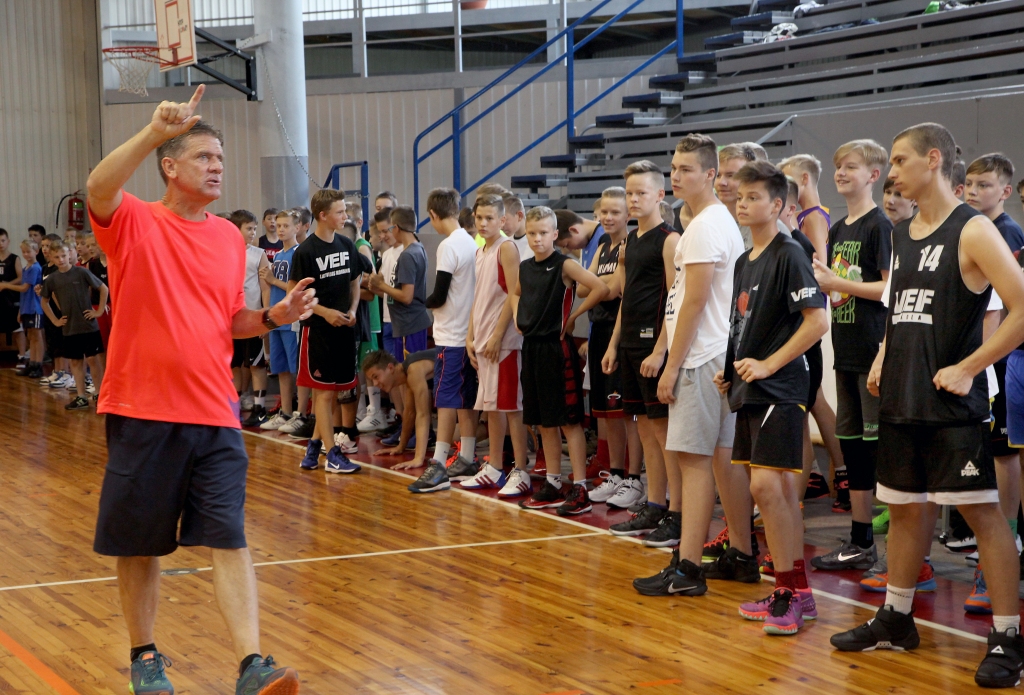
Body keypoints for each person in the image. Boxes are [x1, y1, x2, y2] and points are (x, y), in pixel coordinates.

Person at [85, 85, 314, 693]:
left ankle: (252, 665)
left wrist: (274, 316)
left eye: (221, 159)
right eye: (204, 157)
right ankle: (145, 657)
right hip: (142, 409)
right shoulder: (133, 220)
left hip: (215, 413)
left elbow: (229, 319)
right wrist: (154, 131)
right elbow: (98, 187)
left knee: (228, 536)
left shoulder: (228, 239)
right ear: (170, 166)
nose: (217, 167)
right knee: (140, 544)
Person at [829, 123, 1024, 690]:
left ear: (933, 159)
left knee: (983, 515)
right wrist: (882, 355)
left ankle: (1008, 636)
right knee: (905, 509)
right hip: (902, 397)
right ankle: (896, 617)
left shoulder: (973, 229)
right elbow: (900, 308)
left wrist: (970, 367)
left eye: (898, 160)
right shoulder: (903, 231)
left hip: (953, 407)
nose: (891, 172)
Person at [715, 160, 828, 635]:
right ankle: (795, 591)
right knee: (773, 490)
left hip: (781, 387)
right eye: (740, 197)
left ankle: (789, 592)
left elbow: (817, 322)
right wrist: (730, 372)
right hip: (750, 389)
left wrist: (768, 365)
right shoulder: (746, 260)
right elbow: (741, 323)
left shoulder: (790, 253)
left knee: (766, 487)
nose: (743, 204)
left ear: (778, 204)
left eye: (754, 197)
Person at [633, 133, 746, 596]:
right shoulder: (712, 221)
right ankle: (741, 553)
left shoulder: (704, 226)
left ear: (710, 174)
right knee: (720, 459)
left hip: (702, 356)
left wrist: (672, 364)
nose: (677, 176)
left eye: (686, 169)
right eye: (674, 168)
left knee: (694, 462)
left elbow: (694, 302)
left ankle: (688, 568)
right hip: (713, 353)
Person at [806, 140, 893, 574]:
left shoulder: (880, 226)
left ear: (873, 175)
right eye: (838, 166)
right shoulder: (839, 228)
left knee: (879, 453)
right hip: (846, 352)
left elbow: (889, 289)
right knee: (854, 451)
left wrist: (839, 284)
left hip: (873, 353)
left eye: (851, 166)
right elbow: (838, 286)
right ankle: (860, 540)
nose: (841, 173)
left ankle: (905, 555)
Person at [515, 206, 609, 515]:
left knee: (569, 421)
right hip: (532, 348)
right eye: (532, 233)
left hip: (558, 350)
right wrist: (517, 316)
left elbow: (600, 287)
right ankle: (553, 483)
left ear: (555, 234)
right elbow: (515, 293)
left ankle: (580, 487)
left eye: (543, 233)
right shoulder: (525, 267)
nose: (537, 239)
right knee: (544, 421)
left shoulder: (565, 264)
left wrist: (574, 316)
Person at [602, 161, 680, 531]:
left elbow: (675, 299)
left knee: (664, 434)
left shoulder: (670, 240)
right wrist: (613, 344)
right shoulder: (630, 240)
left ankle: (676, 511)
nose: (633, 199)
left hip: (653, 349)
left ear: (660, 195)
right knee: (645, 430)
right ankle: (654, 502)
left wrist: (660, 350)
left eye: (641, 193)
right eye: (630, 193)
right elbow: (626, 297)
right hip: (630, 345)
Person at [961, 153, 1024, 612]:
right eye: (969, 184)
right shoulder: (970, 229)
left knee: (1005, 455)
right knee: (999, 453)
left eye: (983, 185)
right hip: (990, 365)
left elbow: (1007, 308)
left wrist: (987, 361)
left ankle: (1007, 540)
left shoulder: (1006, 234)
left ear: (1003, 191)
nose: (973, 191)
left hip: (1002, 362)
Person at [463, 193, 532, 498]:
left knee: (511, 406)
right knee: (491, 407)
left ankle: (521, 470)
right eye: (479, 218)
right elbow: (478, 298)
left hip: (503, 343)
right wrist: (470, 336)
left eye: (489, 218)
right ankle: (494, 466)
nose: (483, 223)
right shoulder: (481, 252)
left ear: (502, 220)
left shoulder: (507, 248)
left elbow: (514, 294)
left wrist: (497, 335)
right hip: (484, 341)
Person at [292, 188, 363, 474]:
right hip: (318, 332)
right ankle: (332, 454)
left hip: (343, 331)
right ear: (323, 215)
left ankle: (312, 448)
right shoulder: (306, 251)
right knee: (322, 395)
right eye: (340, 212)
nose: (345, 216)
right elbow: (294, 294)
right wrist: (326, 312)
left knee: (332, 393)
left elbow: (356, 281)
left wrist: (353, 310)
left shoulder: (346, 245)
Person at [584, 187, 644, 508]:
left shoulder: (630, 245)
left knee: (626, 412)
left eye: (614, 212)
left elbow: (610, 291)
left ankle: (634, 477)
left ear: (628, 215)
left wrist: (601, 284)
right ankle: (617, 474)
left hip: (619, 334)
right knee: (607, 413)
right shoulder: (603, 246)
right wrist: (603, 285)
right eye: (603, 212)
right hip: (599, 331)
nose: (607, 217)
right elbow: (586, 289)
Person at [40, 241, 108, 410]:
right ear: (51, 258)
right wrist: (55, 320)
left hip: (88, 325)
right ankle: (81, 396)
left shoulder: (81, 272)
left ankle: (99, 393)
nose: (61, 259)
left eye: (64, 255)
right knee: (76, 362)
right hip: (69, 327)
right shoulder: (52, 279)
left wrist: (99, 311)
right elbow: (44, 301)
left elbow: (103, 288)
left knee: (93, 359)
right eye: (57, 257)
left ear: (69, 254)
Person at [365, 348, 443, 488]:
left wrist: (418, 458)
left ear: (390, 368)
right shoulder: (408, 373)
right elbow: (409, 412)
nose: (375, 384)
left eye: (376, 376)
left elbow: (423, 414)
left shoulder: (413, 370)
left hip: (467, 369)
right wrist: (401, 446)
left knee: (453, 434)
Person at [369, 207, 431, 375]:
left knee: (409, 374)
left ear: (396, 228)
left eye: (388, 229)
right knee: (406, 374)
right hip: (406, 324)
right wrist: (379, 288)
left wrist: (381, 285)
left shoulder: (408, 255)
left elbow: (406, 296)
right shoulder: (417, 248)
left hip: (408, 324)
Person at [258, 210, 302, 432]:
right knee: (281, 368)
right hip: (277, 319)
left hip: (291, 320)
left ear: (297, 228)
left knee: (297, 368)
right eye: (279, 225)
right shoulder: (278, 255)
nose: (281, 229)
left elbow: (296, 288)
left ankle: (302, 413)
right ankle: (285, 412)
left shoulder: (298, 253)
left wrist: (273, 280)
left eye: (286, 225)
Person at [230, 209, 272, 427]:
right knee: (235, 364)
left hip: (252, 317)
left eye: (255, 229)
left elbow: (265, 288)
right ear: (236, 229)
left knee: (256, 364)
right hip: (232, 319)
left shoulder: (258, 254)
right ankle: (234, 406)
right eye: (249, 228)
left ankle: (259, 408)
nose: (253, 232)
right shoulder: (225, 251)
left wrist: (265, 317)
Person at [715, 143, 758, 249]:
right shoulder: (710, 221)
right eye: (718, 175)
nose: (722, 182)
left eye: (731, 176)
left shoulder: (766, 225)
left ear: (751, 178)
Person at [11, 240, 44, 378]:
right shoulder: (25, 269)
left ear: (36, 251)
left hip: (35, 307)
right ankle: (32, 363)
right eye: (24, 252)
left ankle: (38, 364)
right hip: (27, 306)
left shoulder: (35, 268)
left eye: (29, 251)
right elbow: (24, 293)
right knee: (30, 336)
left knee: (37, 336)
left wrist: (6, 285)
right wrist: (21, 310)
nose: (26, 254)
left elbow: (25, 288)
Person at [0, 228, 26, 362]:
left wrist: (6, 285)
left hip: (11, 298)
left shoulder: (14, 258)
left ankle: (22, 356)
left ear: (8, 241)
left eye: (3, 240)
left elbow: (21, 278)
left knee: (17, 328)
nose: (1, 243)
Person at [502, 192, 530, 261]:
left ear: (519, 216)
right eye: (500, 221)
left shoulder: (536, 243)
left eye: (504, 220)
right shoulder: (506, 242)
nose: (501, 226)